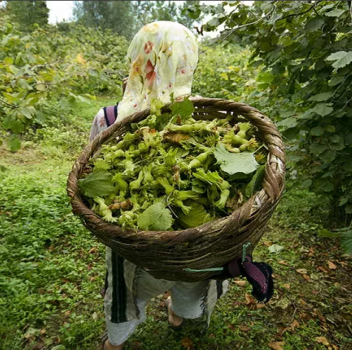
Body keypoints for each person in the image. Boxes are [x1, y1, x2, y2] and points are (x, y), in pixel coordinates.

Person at [88, 21, 229, 350]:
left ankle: (119, 341)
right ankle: (175, 316)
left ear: (136, 60)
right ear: (187, 63)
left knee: (128, 295)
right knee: (190, 287)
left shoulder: (108, 118)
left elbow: (92, 178)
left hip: (134, 243)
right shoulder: (203, 115)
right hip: (194, 244)